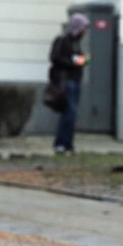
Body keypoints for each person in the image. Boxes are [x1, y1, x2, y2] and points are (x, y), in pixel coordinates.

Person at [49, 12, 90, 154]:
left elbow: (79, 60)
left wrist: (85, 60)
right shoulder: (63, 40)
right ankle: (61, 143)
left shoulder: (76, 42)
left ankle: (68, 143)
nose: (85, 31)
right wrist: (75, 62)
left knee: (71, 113)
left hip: (75, 80)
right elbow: (55, 58)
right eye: (84, 27)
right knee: (69, 112)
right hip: (66, 81)